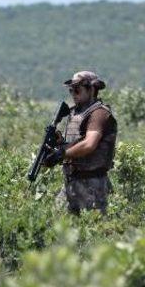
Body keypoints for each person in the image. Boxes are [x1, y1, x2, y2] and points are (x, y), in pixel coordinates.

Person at [43, 71, 117, 214]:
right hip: (71, 183)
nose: (73, 93)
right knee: (57, 225)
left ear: (92, 89)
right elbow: (76, 144)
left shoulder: (99, 114)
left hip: (93, 185)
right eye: (71, 90)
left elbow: (89, 144)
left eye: (77, 89)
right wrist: (59, 144)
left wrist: (61, 154)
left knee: (92, 230)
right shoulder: (74, 113)